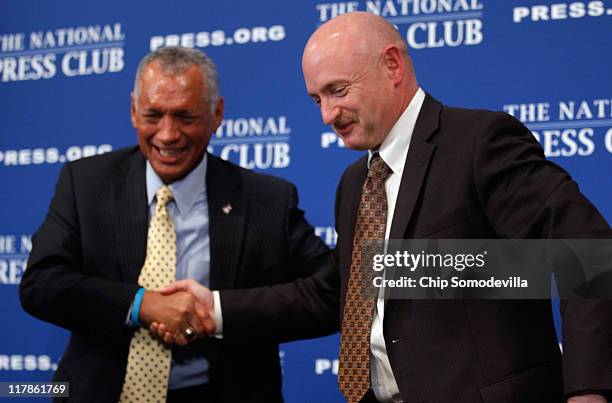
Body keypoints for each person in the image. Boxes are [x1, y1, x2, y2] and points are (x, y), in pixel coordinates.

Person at [159, 12, 612, 403]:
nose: (327, 115)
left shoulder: (477, 143)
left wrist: (587, 389)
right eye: (317, 99)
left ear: (392, 65)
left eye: (338, 90)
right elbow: (336, 293)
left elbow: (585, 247)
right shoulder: (355, 182)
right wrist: (214, 308)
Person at [19, 46, 338, 403]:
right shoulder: (86, 183)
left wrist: (217, 313)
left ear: (216, 114)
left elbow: (330, 294)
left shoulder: (267, 200)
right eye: (153, 115)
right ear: (133, 112)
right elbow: (41, 283)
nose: (167, 135)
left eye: (185, 117)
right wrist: (142, 304)